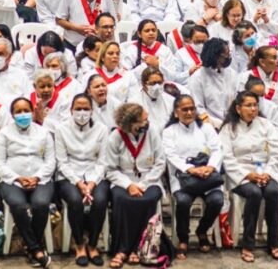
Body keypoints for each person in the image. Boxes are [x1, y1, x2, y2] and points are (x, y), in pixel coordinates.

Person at [220, 91, 278, 262]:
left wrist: (268, 174)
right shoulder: (228, 129)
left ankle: (274, 241)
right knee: (254, 193)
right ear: (238, 108)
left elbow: (277, 153)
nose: (253, 109)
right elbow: (226, 158)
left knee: (272, 192)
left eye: (255, 105)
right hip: (240, 174)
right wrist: (248, 175)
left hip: (265, 171)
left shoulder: (266, 125)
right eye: (248, 105)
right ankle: (248, 244)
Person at [0, 97, 55, 268]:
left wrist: (37, 177)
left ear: (33, 111)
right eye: (18, 112)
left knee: (41, 203)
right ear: (12, 115)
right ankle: (36, 248)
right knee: (18, 205)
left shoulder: (44, 133)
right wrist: (17, 178)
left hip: (40, 178)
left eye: (26, 110)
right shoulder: (4, 133)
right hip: (12, 180)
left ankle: (30, 247)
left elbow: (50, 161)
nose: (23, 114)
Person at [162, 94, 223, 259]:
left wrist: (210, 167)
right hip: (184, 178)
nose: (189, 112)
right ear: (176, 112)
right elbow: (171, 155)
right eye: (184, 109)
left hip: (208, 176)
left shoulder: (206, 128)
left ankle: (202, 230)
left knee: (217, 200)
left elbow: (217, 149)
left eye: (192, 109)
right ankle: (183, 237)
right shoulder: (169, 132)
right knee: (183, 202)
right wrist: (190, 169)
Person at [105, 102, 164, 268]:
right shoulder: (115, 137)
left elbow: (160, 163)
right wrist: (129, 185)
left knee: (148, 200)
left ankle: (141, 247)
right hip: (123, 179)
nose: (147, 123)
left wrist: (143, 185)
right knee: (123, 200)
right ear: (131, 123)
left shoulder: (152, 132)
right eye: (143, 120)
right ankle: (122, 249)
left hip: (150, 178)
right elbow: (110, 169)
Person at [54, 93, 110, 266]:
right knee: (75, 201)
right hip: (69, 176)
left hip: (96, 174)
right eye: (78, 109)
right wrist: (79, 183)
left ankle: (93, 245)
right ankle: (79, 245)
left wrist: (91, 184)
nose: (82, 112)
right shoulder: (61, 129)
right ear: (71, 110)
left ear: (92, 111)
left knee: (100, 201)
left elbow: (103, 161)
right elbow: (62, 162)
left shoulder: (101, 129)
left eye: (86, 109)